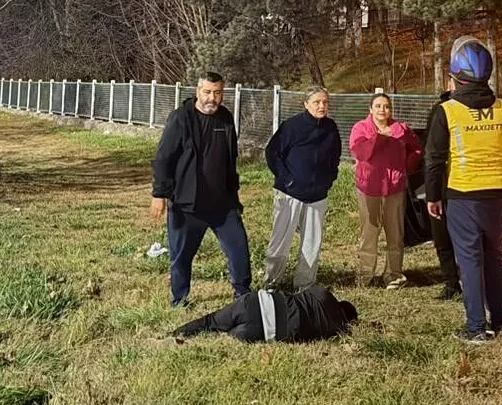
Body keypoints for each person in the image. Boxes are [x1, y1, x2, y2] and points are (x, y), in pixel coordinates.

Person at [422, 36, 502, 343]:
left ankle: (476, 327)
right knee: (494, 256)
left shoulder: (447, 111)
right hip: (498, 192)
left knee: (470, 261)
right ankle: (501, 322)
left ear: (456, 77)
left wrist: (433, 196)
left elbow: (434, 159)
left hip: (463, 193)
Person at [150, 72, 252, 306]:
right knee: (181, 256)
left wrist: (234, 195)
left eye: (217, 93)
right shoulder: (181, 118)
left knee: (239, 249)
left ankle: (243, 294)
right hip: (188, 205)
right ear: (197, 92)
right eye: (207, 92)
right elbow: (164, 158)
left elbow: (230, 160)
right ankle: (179, 299)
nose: (211, 98)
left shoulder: (225, 118)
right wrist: (160, 194)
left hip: (222, 204)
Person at [262, 87, 342, 289]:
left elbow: (335, 156)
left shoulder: (331, 128)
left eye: (325, 102)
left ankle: (305, 285)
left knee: (312, 244)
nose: (321, 106)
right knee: (280, 242)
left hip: (318, 196)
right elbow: (272, 153)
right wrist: (286, 179)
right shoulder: (292, 126)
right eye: (317, 102)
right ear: (306, 104)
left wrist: (329, 179)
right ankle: (272, 284)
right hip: (289, 194)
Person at [349, 92, 422, 289]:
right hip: (370, 188)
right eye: (378, 106)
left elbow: (416, 149)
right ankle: (365, 275)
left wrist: (406, 167)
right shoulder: (360, 128)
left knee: (395, 233)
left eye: (386, 106)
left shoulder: (401, 129)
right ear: (370, 109)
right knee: (369, 233)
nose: (383, 110)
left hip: (395, 188)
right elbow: (360, 152)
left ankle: (393, 274)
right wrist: (379, 137)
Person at [173, 284, 359, 343]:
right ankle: (188, 342)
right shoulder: (335, 330)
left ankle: (174, 334)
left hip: (257, 303)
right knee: (220, 336)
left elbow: (299, 293)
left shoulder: (322, 293)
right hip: (265, 331)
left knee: (210, 321)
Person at [426, 81, 462, 299]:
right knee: (442, 237)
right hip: (442, 182)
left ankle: (472, 282)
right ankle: (451, 282)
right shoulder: (440, 110)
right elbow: (431, 153)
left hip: (467, 183)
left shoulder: (483, 108)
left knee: (467, 239)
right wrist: (432, 192)